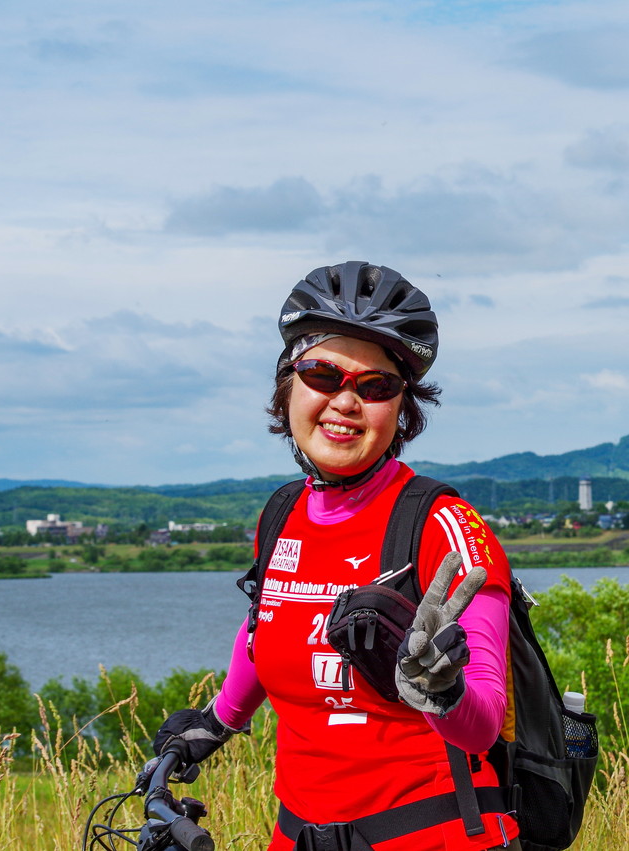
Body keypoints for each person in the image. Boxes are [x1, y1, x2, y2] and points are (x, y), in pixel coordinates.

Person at [154, 261, 519, 851]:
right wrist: (219, 720)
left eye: (376, 387)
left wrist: (442, 691)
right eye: (323, 374)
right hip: (296, 836)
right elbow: (265, 627)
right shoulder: (281, 514)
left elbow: (480, 728)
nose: (346, 401)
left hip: (434, 834)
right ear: (287, 387)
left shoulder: (444, 525)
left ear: (401, 410)